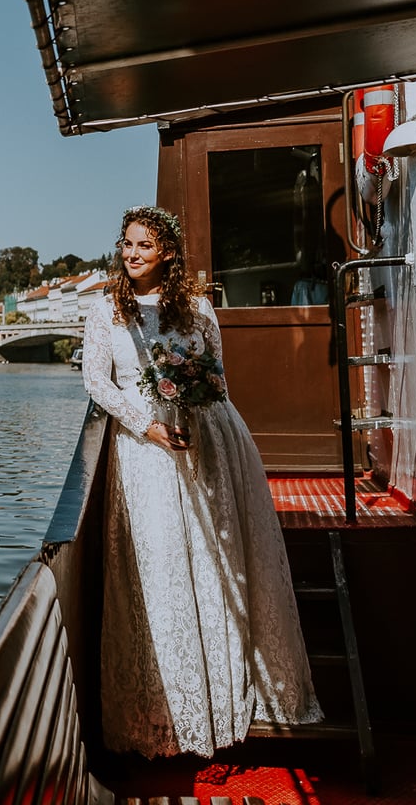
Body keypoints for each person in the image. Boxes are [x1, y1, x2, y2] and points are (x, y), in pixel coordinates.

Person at [82, 205, 321, 758]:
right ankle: (166, 712)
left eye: (144, 245)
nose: (132, 253)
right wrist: (147, 425)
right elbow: (96, 379)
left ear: (166, 251)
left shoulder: (196, 308)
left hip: (205, 441)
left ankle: (228, 697)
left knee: (215, 564)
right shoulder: (105, 310)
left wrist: (192, 407)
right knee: (162, 564)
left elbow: (216, 375)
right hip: (145, 453)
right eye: (126, 244)